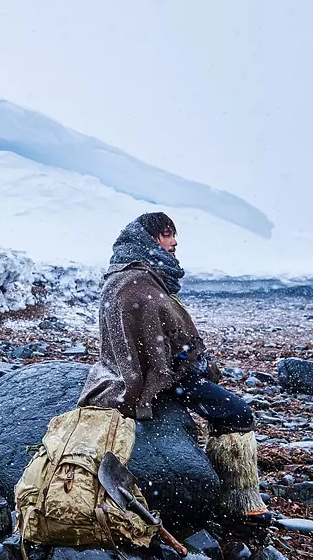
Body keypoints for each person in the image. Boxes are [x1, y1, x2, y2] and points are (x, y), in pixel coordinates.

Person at [77, 212, 269, 525]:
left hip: (126, 374)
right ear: (149, 238)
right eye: (167, 234)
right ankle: (240, 500)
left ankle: (217, 481)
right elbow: (166, 344)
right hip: (154, 381)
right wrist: (192, 366)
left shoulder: (122, 275)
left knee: (217, 406)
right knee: (238, 414)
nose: (174, 241)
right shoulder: (139, 281)